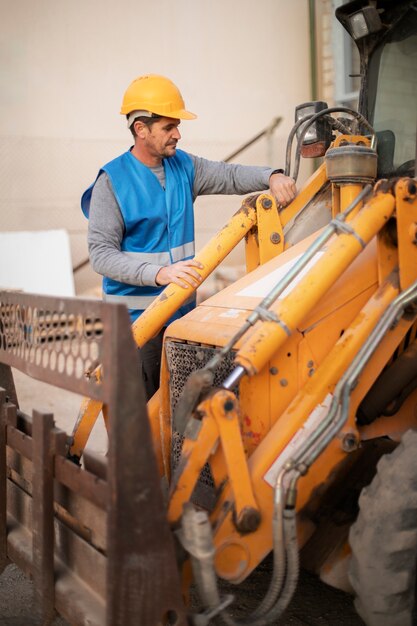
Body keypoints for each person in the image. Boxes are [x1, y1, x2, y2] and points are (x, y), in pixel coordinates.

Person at [82, 74, 297, 399]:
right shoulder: (111, 182)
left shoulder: (184, 167)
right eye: (168, 127)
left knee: (181, 417)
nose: (177, 134)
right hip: (135, 326)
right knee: (142, 424)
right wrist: (159, 274)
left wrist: (271, 175)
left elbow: (229, 175)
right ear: (141, 129)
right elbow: (101, 255)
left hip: (181, 318)